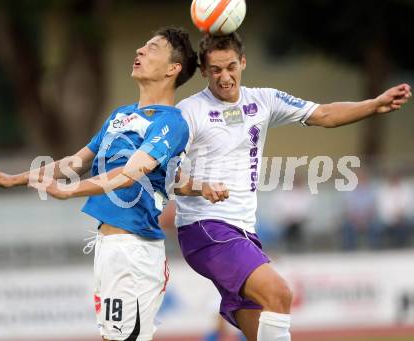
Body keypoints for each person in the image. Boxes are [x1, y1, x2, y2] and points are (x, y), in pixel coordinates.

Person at [174, 32, 411, 341]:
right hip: (205, 229)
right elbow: (170, 176)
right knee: (280, 294)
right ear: (204, 71)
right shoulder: (188, 111)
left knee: (262, 332)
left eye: (231, 66)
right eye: (215, 69)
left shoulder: (264, 100)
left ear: (243, 63)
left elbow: (323, 114)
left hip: (243, 231)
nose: (225, 76)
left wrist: (374, 104)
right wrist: (201, 187)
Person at [0, 27, 198, 341]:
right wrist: (20, 178)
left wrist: (70, 190)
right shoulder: (121, 115)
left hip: (134, 252)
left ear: (173, 69)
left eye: (153, 48)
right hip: (109, 249)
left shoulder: (171, 122)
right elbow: (77, 161)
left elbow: (130, 173)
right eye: (143, 45)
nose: (140, 51)